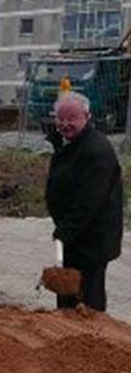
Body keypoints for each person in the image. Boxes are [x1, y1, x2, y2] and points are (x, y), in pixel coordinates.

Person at [45, 92, 123, 312]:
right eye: (61, 118)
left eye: (72, 118)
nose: (65, 123)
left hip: (91, 240)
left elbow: (91, 201)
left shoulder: (96, 150)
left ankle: (91, 341)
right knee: (67, 295)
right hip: (74, 237)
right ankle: (67, 339)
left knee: (88, 298)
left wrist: (65, 230)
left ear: (86, 117)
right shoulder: (69, 144)